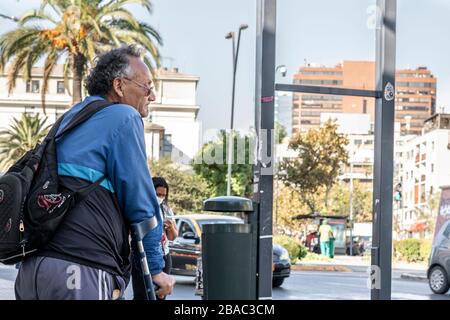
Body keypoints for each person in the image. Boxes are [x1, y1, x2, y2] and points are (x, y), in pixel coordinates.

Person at [14, 45, 175, 300]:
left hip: (32, 271)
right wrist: (156, 269)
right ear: (119, 86)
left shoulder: (70, 116)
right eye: (147, 86)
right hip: (81, 270)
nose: (152, 96)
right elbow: (141, 202)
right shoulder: (124, 116)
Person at [131, 177, 178, 300]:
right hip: (143, 256)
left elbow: (172, 237)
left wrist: (171, 228)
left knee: (160, 295)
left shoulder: (166, 209)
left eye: (163, 195)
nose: (161, 198)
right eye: (158, 194)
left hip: (163, 255)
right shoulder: (141, 208)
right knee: (143, 295)